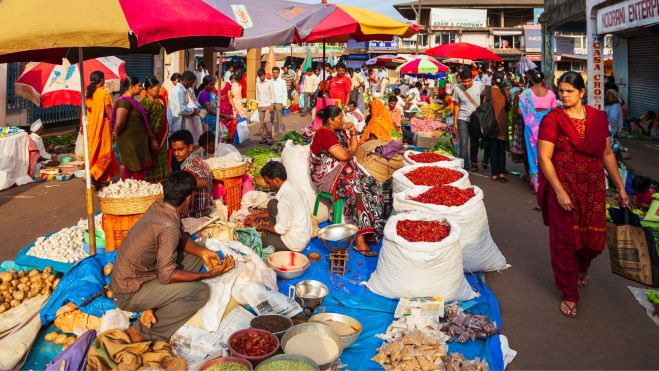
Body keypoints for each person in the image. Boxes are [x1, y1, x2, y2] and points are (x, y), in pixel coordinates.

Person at [537, 71, 629, 318]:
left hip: (593, 188)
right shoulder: (553, 119)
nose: (564, 96)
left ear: (582, 93)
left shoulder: (599, 118)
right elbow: (545, 158)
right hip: (564, 188)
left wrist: (620, 187)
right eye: (561, 91)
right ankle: (568, 293)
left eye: (569, 91)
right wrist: (558, 191)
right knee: (564, 242)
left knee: (592, 241)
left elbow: (607, 153)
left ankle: (582, 267)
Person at [110, 171, 235, 342]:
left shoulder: (160, 206)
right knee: (200, 292)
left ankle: (153, 304)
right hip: (128, 292)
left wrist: (202, 252)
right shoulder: (168, 224)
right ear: (188, 198)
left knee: (197, 255)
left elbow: (180, 236)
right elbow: (166, 275)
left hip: (144, 274)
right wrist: (208, 275)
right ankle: (144, 332)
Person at [310, 106, 384, 256]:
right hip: (327, 176)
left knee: (373, 185)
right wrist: (349, 154)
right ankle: (360, 239)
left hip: (342, 171)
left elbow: (352, 150)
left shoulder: (337, 132)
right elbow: (345, 156)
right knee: (356, 191)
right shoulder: (324, 134)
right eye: (339, 118)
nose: (342, 121)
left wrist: (353, 133)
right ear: (330, 120)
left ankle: (370, 230)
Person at [244, 161, 312, 252]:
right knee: (272, 204)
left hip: (295, 244)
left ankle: (278, 242)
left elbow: (281, 230)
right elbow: (281, 210)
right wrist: (256, 216)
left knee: (258, 241)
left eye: (268, 182)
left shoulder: (285, 198)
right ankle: (273, 234)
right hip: (304, 235)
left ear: (276, 180)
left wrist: (259, 225)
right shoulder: (293, 186)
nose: (267, 186)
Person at [519, 68, 558, 191]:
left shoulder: (525, 94)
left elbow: (520, 111)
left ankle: (537, 184)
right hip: (548, 128)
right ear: (542, 79)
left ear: (530, 79)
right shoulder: (551, 94)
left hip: (531, 128)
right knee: (548, 154)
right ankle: (548, 181)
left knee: (532, 154)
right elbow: (555, 111)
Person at [112, 76, 154, 180]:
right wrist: (115, 134)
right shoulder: (124, 102)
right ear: (131, 87)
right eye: (139, 85)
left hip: (136, 141)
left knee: (130, 169)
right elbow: (119, 123)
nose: (141, 88)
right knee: (138, 169)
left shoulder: (132, 101)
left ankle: (126, 191)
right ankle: (133, 193)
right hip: (130, 142)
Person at [84, 71, 119, 186]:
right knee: (106, 154)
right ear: (102, 80)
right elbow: (109, 112)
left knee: (96, 153)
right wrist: (114, 128)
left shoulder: (87, 94)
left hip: (91, 127)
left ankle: (103, 179)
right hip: (103, 127)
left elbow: (85, 112)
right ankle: (93, 173)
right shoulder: (104, 94)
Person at [170, 130, 213, 218]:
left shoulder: (190, 166)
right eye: (174, 150)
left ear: (190, 147)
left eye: (180, 149)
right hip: (205, 210)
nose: (176, 154)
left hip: (196, 215)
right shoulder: (196, 158)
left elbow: (203, 180)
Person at [452, 68, 484, 171]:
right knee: (463, 143)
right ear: (460, 80)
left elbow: (484, 99)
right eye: (464, 82)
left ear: (472, 78)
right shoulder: (457, 88)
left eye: (468, 81)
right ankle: (464, 167)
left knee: (475, 142)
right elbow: (456, 106)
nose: (466, 84)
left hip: (476, 120)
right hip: (462, 119)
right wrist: (455, 122)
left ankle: (474, 162)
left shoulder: (479, 85)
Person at [141, 76, 169, 183]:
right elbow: (144, 122)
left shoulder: (158, 100)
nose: (159, 91)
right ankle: (150, 183)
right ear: (148, 90)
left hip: (161, 136)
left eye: (159, 89)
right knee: (151, 161)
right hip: (151, 137)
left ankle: (160, 181)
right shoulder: (145, 103)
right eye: (157, 89)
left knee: (161, 161)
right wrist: (151, 138)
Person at [487, 72, 510, 182]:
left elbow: (484, 106)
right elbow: (508, 107)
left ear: (493, 79)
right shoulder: (506, 91)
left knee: (492, 149)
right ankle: (502, 172)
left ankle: (494, 173)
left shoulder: (488, 91)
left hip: (491, 123)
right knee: (501, 149)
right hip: (502, 124)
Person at [256, 68, 275, 145]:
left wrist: (272, 104)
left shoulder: (269, 83)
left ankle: (270, 138)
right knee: (261, 123)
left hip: (268, 105)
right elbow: (257, 93)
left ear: (264, 75)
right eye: (260, 76)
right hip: (260, 105)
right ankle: (263, 138)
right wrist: (257, 103)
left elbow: (272, 93)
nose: (261, 77)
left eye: (262, 76)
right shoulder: (257, 83)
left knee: (267, 121)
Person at [271, 67, 287, 138]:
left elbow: (285, 92)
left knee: (279, 118)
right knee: (271, 118)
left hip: (279, 101)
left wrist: (284, 103)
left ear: (278, 73)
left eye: (276, 73)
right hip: (271, 102)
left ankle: (279, 131)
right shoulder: (270, 81)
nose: (274, 74)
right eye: (273, 72)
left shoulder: (282, 81)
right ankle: (272, 132)